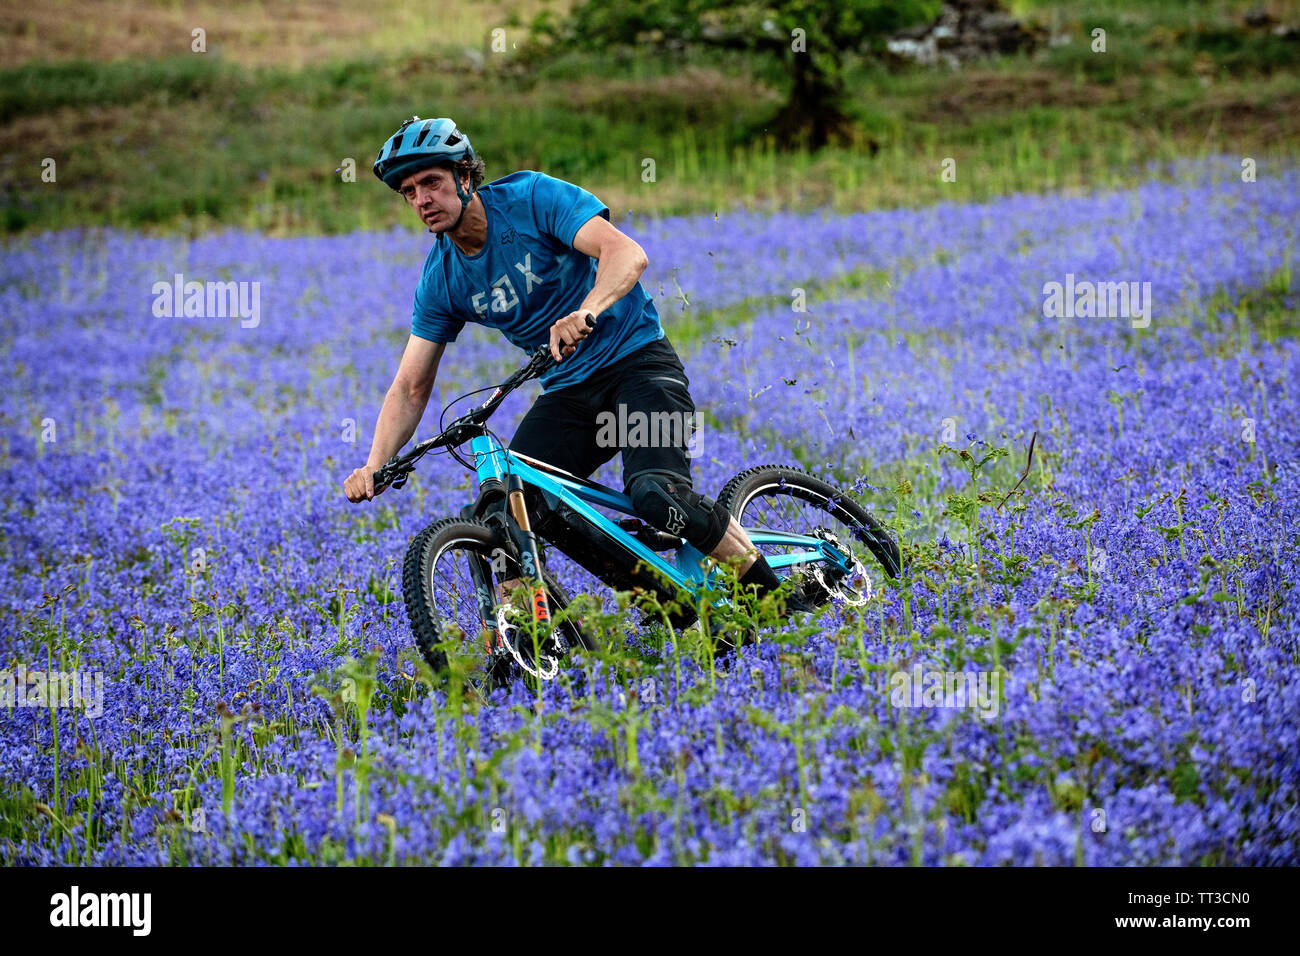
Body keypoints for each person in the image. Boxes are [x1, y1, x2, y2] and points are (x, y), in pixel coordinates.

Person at [343, 115, 798, 618]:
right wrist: (375, 463)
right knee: (512, 512)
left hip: (639, 364)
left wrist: (587, 310)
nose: (422, 199)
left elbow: (626, 253)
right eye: (409, 191)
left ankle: (779, 606)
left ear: (465, 177)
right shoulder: (442, 278)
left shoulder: (532, 199)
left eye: (432, 182)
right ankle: (569, 632)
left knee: (655, 495)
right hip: (569, 392)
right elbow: (410, 385)